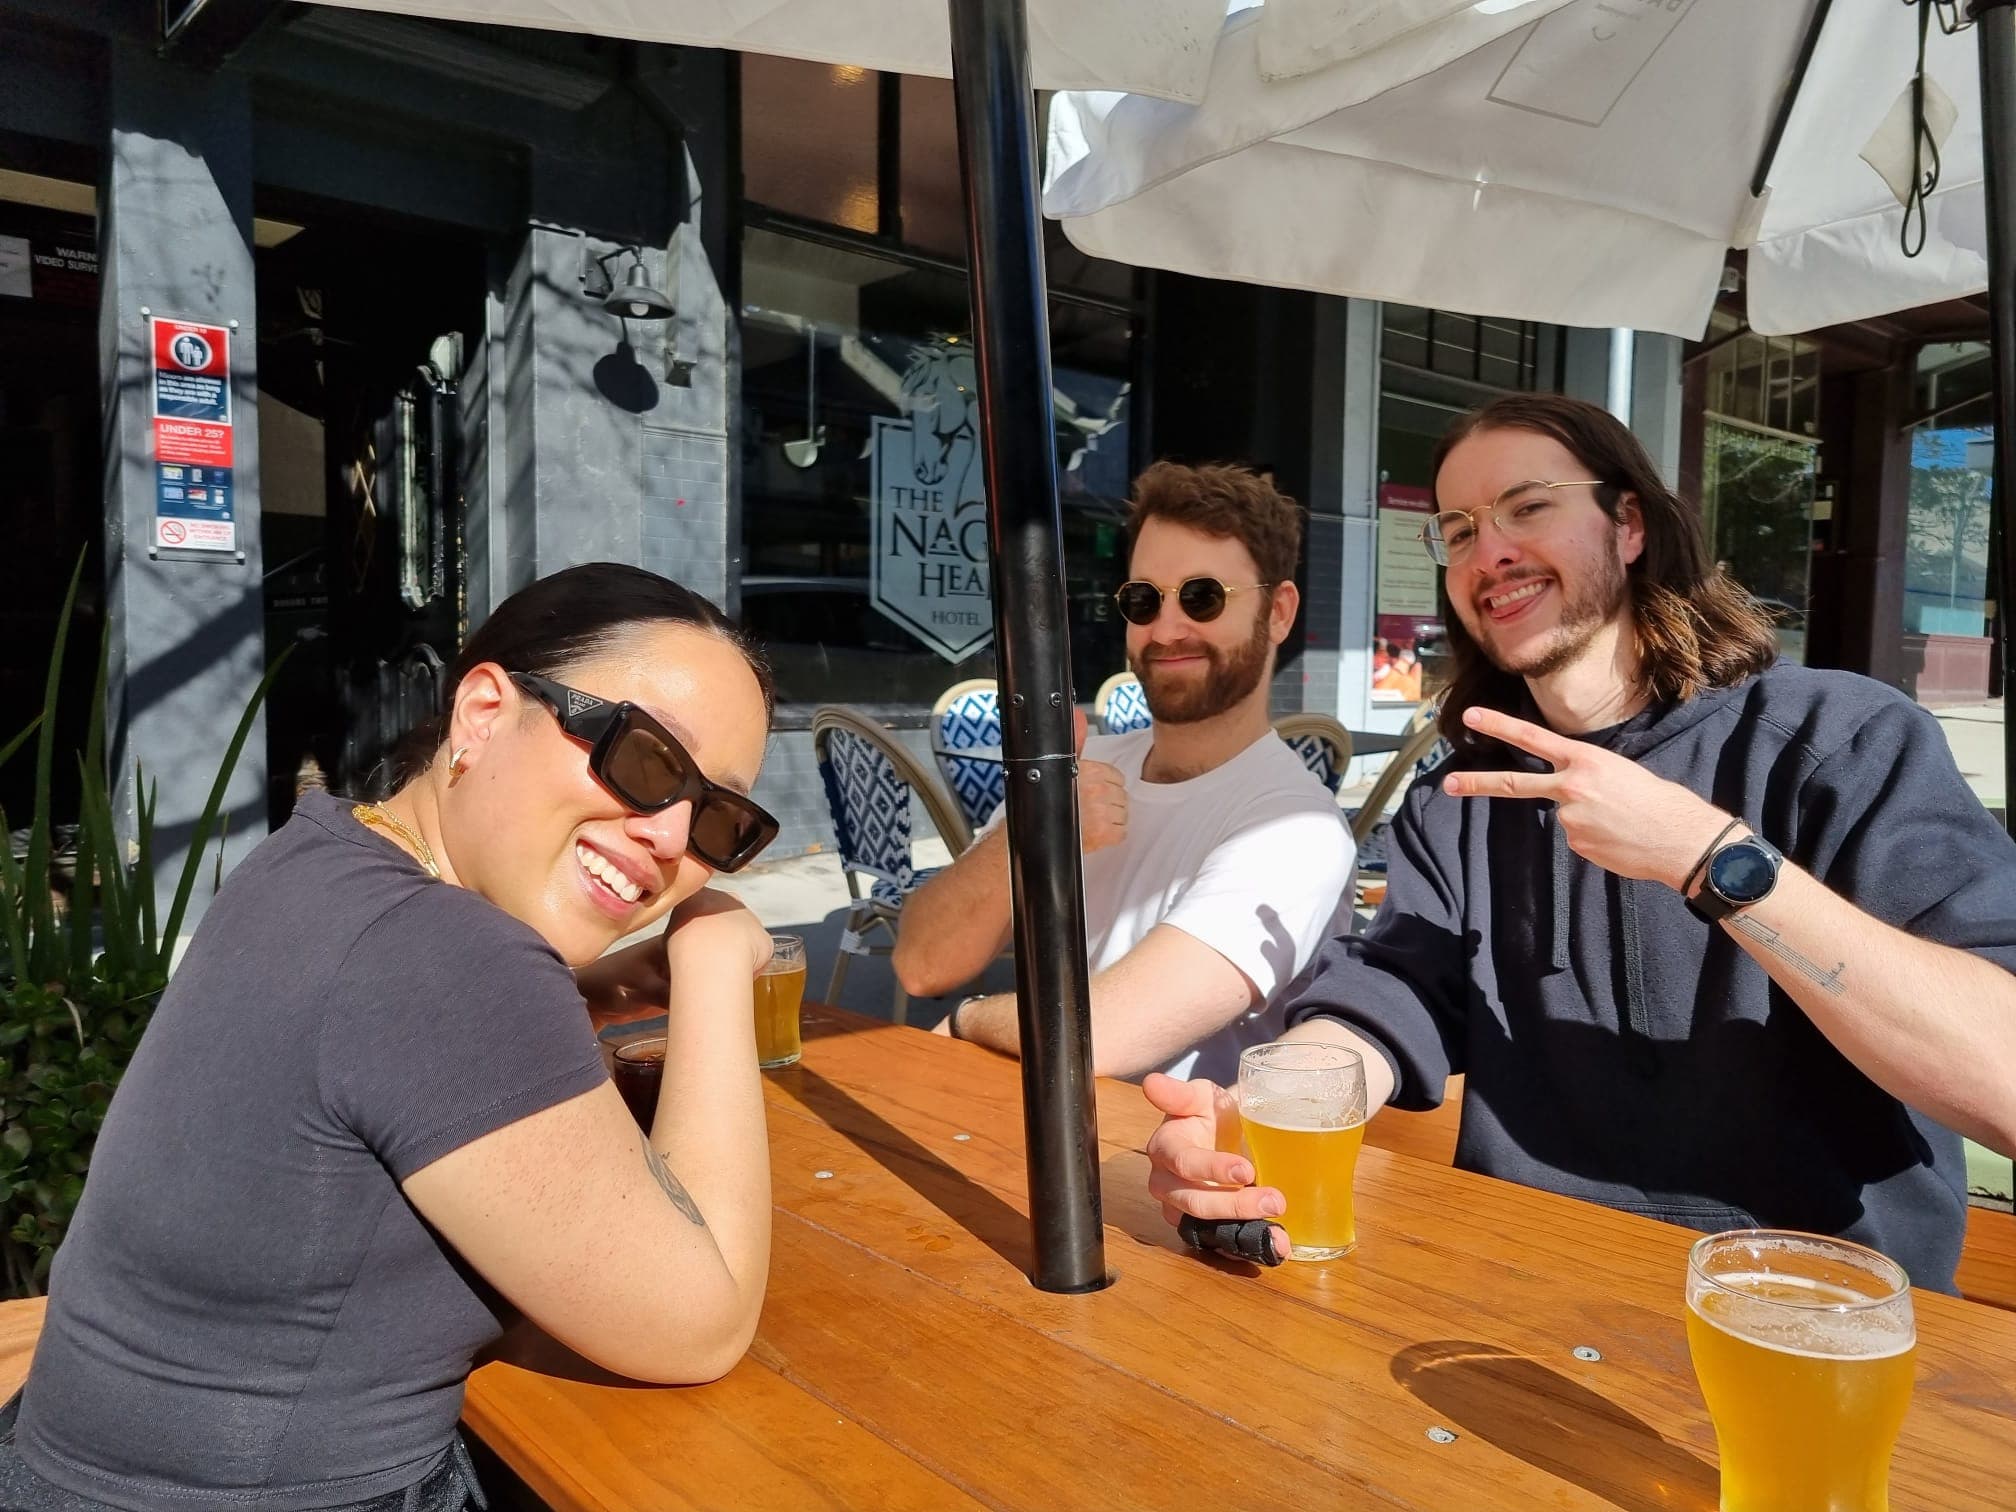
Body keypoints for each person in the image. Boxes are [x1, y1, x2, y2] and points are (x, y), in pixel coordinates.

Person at [1144, 394, 2016, 1290]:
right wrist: (1261, 1107)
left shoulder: (1838, 737)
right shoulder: (1465, 795)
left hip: (1812, 1320)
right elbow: (1396, 990)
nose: (1490, 553)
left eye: (1528, 507)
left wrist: (1711, 860)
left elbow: (2004, 1078)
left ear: (1628, 524)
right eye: (1457, 529)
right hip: (1522, 1302)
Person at [7, 564, 783, 1510]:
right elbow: (697, 1324)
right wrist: (709, 963)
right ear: (485, 711)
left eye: (720, 818)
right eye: (646, 760)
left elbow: (368, 1049)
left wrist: (574, 993)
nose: (671, 837)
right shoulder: (452, 955)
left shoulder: (320, 854)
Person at [894, 461, 1354, 1083]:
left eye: (1202, 596)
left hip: (1165, 1160)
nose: (1166, 629)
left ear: (1278, 612)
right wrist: (1035, 831)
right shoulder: (1088, 768)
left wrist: (972, 1018)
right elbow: (921, 963)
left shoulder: (1295, 829)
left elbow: (1103, 1039)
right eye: (1143, 600)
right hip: (1028, 1124)